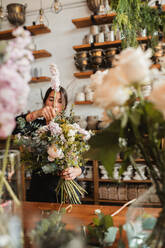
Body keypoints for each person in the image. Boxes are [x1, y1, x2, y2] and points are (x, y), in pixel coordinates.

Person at [13, 86, 84, 202]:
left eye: (60, 101)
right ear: (45, 101)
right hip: (41, 190)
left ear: (64, 107)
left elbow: (81, 162)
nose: (55, 105)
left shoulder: (71, 127)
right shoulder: (34, 125)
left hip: (66, 190)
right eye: (51, 99)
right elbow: (11, 126)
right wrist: (35, 114)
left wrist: (76, 171)